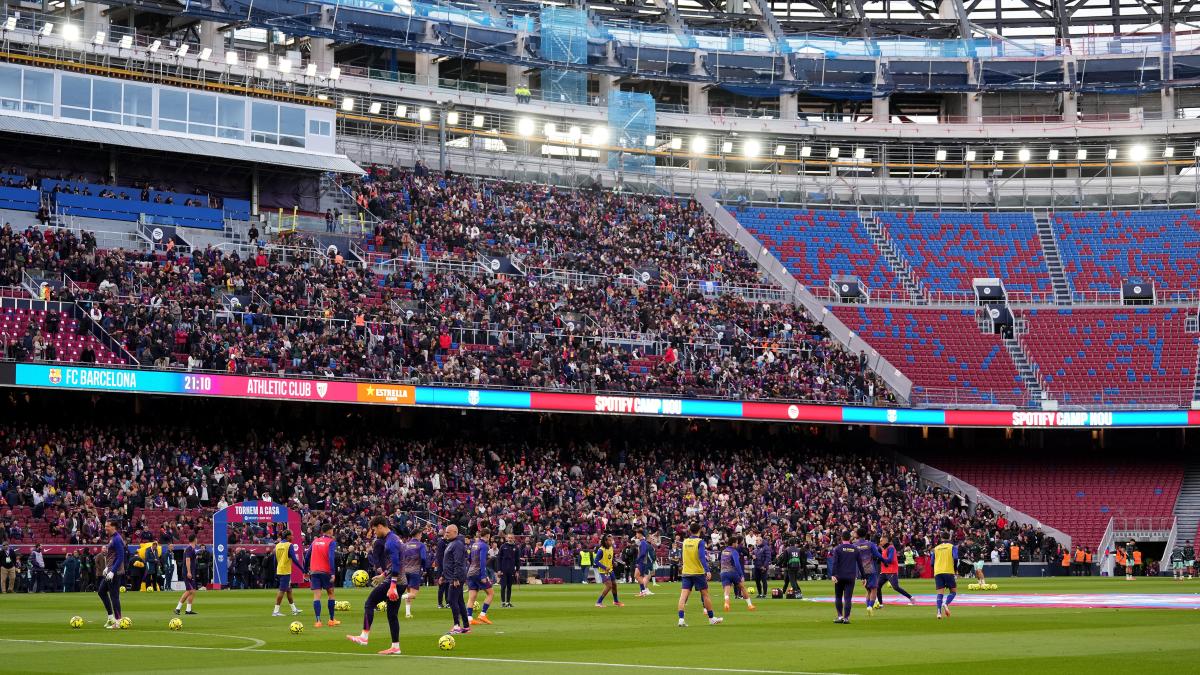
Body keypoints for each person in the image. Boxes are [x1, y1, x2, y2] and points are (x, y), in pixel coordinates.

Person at [346, 516, 404, 655]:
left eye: (374, 530)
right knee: (392, 614)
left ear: (380, 526)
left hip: (395, 581)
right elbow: (397, 563)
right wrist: (383, 575)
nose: (374, 533)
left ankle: (364, 636)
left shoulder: (390, 542)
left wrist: (392, 585)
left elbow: (396, 564)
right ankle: (395, 647)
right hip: (402, 581)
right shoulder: (395, 538)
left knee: (369, 603)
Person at [676, 522, 723, 627]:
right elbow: (701, 557)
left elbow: (682, 556)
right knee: (705, 595)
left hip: (686, 572)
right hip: (697, 572)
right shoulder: (700, 542)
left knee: (683, 596)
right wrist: (707, 570)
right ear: (699, 530)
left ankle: (681, 619)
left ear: (690, 531)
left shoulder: (685, 541)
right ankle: (711, 618)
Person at [307, 521, 340, 627]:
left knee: (317, 596)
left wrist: (305, 570)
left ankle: (318, 621)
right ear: (330, 531)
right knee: (331, 593)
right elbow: (331, 557)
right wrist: (332, 572)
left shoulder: (315, 541)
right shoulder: (331, 542)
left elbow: (307, 555)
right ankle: (331, 620)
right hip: (326, 571)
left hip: (314, 571)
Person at [441, 524, 470, 635]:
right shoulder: (452, 543)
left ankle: (457, 626)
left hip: (456, 578)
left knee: (452, 600)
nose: (446, 534)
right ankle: (466, 626)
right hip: (452, 577)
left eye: (448, 532)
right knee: (459, 601)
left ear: (455, 532)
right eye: (446, 532)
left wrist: (455, 578)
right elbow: (448, 562)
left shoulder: (457, 544)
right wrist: (443, 575)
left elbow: (458, 562)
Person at [98, 519, 126, 629]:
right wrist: (107, 567)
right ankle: (111, 618)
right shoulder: (113, 538)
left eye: (107, 526)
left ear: (113, 527)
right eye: (105, 526)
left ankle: (118, 622)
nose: (105, 528)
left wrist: (113, 571)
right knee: (101, 591)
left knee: (114, 596)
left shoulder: (117, 539)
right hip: (110, 570)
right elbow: (112, 556)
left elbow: (120, 557)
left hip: (115, 572)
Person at [271, 530, 305, 617]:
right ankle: (275, 611)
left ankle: (294, 609)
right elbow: (294, 559)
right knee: (282, 590)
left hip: (279, 570)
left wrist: (275, 571)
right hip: (285, 571)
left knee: (289, 590)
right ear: (287, 536)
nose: (293, 537)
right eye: (291, 535)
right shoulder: (289, 545)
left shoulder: (278, 545)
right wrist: (302, 569)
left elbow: (275, 560)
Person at [828, 531, 860, 624]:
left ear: (842, 538)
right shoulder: (855, 549)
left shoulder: (838, 549)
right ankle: (846, 618)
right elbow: (860, 564)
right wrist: (864, 577)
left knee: (838, 596)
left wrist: (833, 574)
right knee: (848, 598)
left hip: (839, 576)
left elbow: (835, 563)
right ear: (850, 538)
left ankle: (840, 616)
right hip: (851, 576)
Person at [467, 527, 497, 625]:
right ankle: (482, 614)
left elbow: (469, 558)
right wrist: (483, 575)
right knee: (491, 593)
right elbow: (482, 561)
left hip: (470, 572)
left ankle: (469, 618)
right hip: (478, 573)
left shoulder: (474, 544)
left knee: (472, 596)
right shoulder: (484, 546)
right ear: (488, 536)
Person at [719, 535, 755, 612]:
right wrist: (741, 575)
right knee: (742, 587)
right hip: (732, 572)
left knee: (727, 589)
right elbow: (737, 564)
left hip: (723, 572)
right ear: (733, 543)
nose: (737, 544)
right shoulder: (734, 551)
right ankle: (750, 605)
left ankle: (726, 602)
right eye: (736, 543)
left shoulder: (723, 551)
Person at [877, 535, 914, 606]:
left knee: (896, 587)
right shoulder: (884, 549)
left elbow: (890, 560)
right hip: (884, 571)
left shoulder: (891, 548)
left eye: (881, 541)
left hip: (891, 571)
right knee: (877, 587)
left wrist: (881, 558)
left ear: (886, 541)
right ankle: (880, 604)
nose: (880, 542)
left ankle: (911, 598)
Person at [853, 527, 882, 616]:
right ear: (865, 535)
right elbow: (877, 555)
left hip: (861, 571)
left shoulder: (854, 545)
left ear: (857, 535)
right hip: (870, 569)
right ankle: (870, 606)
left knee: (868, 590)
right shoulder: (870, 544)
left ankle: (868, 606)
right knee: (874, 589)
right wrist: (885, 561)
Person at [400, 529, 428, 619]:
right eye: (421, 534)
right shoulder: (421, 545)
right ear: (418, 534)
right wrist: (424, 568)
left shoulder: (405, 545)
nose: (421, 536)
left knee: (408, 592)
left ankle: (408, 613)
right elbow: (423, 558)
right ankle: (398, 596)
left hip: (404, 571)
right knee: (413, 594)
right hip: (415, 571)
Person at [931, 531, 958, 620]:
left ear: (941, 538)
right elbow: (955, 558)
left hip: (938, 572)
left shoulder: (936, 548)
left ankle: (939, 613)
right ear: (949, 538)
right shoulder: (952, 547)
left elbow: (932, 563)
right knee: (953, 592)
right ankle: (946, 604)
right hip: (948, 571)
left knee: (940, 593)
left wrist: (936, 569)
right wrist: (955, 569)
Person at [593, 533, 622, 608]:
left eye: (611, 540)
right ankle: (598, 602)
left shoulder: (611, 548)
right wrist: (605, 567)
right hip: (604, 571)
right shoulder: (601, 550)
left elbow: (610, 558)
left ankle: (616, 601)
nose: (611, 541)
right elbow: (596, 561)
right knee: (609, 586)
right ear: (605, 541)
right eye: (609, 540)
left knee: (614, 585)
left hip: (610, 570)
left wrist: (613, 562)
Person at [175, 533, 199, 615]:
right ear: (194, 539)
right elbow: (187, 560)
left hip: (191, 572)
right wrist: (189, 572)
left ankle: (188, 610)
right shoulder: (189, 549)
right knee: (190, 590)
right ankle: (177, 608)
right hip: (188, 572)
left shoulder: (192, 549)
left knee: (193, 591)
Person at [497, 533, 520, 608]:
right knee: (503, 586)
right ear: (507, 538)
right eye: (509, 538)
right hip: (503, 569)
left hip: (511, 570)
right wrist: (499, 569)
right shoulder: (503, 546)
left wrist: (517, 570)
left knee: (509, 586)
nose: (510, 539)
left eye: (511, 538)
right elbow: (499, 559)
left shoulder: (516, 548)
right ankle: (503, 602)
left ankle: (508, 602)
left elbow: (517, 560)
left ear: (514, 539)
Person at [634, 529, 656, 597]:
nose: (636, 535)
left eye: (637, 533)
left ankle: (643, 591)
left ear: (640, 534)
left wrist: (638, 559)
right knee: (637, 576)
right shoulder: (642, 542)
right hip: (642, 562)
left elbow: (643, 553)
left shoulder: (643, 542)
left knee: (638, 576)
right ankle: (643, 591)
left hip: (642, 562)